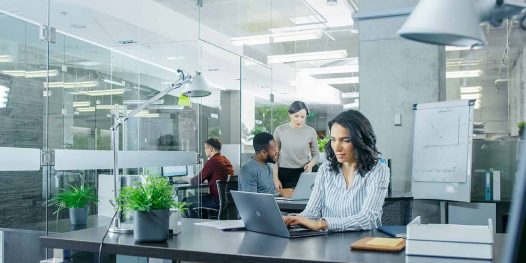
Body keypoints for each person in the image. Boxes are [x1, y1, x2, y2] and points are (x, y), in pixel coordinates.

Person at [283, 110, 390, 232]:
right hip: (328, 243)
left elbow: (368, 218)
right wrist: (292, 219)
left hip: (363, 244)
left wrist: (323, 224)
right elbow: (311, 212)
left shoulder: (378, 170)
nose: (337, 147)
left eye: (346, 140)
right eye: (333, 139)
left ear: (361, 140)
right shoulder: (325, 169)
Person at [273, 101, 320, 189]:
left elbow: (316, 155)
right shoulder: (279, 130)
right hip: (283, 173)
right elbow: (274, 157)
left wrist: (310, 165)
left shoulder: (311, 131)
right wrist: (275, 178)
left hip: (303, 173)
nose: (300, 120)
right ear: (289, 114)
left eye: (303, 117)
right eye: (296, 116)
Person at [185, 138, 234, 218]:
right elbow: (221, 179)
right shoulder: (225, 160)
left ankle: (192, 227)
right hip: (227, 200)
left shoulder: (213, 161)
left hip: (216, 200)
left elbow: (197, 180)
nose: (205, 150)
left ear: (211, 148)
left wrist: (187, 179)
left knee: (185, 202)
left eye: (205, 148)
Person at [239, 132, 294, 197]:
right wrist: (280, 192)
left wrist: (284, 192)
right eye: (274, 150)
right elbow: (252, 199)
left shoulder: (268, 167)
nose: (277, 152)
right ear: (263, 153)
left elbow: (269, 191)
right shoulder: (248, 170)